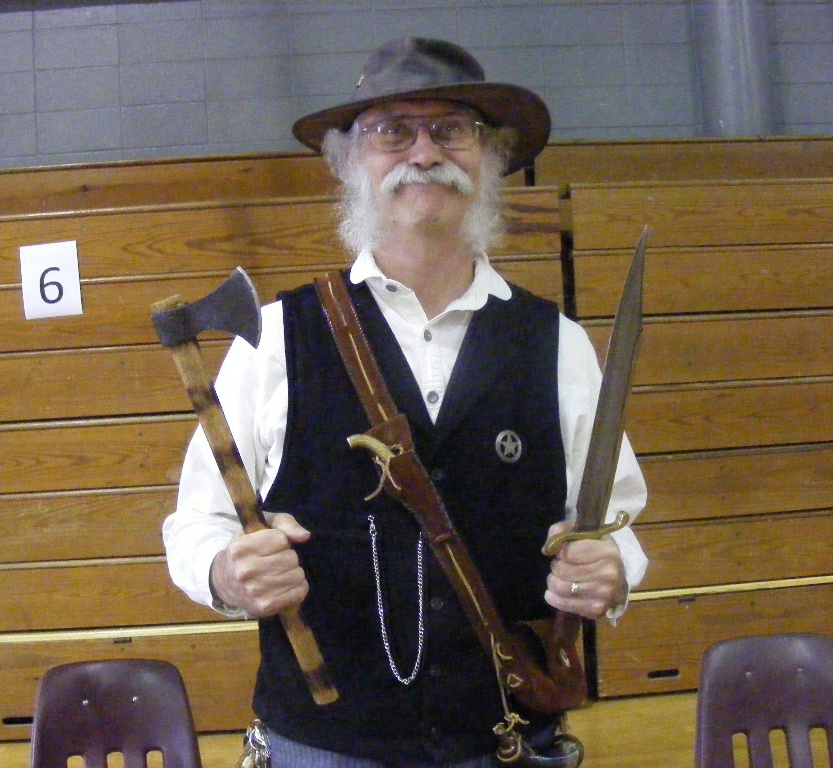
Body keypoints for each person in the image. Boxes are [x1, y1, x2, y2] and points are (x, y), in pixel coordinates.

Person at [163, 37, 648, 768]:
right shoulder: (277, 337)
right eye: (393, 131)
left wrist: (612, 569)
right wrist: (226, 573)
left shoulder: (557, 343)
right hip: (323, 746)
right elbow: (197, 521)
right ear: (350, 162)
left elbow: (616, 518)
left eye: (451, 129)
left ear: (490, 157)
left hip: (504, 740)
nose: (424, 152)